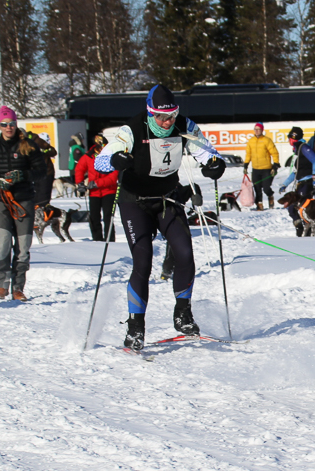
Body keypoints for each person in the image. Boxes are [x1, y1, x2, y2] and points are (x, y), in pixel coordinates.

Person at [94, 84, 226, 350]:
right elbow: (101, 161)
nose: (167, 122)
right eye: (161, 117)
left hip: (167, 198)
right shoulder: (131, 129)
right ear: (150, 112)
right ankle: (135, 327)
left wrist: (214, 165)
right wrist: (117, 159)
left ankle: (182, 314)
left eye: (171, 116)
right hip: (135, 202)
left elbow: (207, 153)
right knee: (142, 261)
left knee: (185, 253)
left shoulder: (184, 125)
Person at [0, 106, 39, 301]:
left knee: (23, 245)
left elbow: (41, 170)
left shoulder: (27, 145)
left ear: (16, 124)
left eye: (11, 124)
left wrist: (23, 175)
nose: (8, 128)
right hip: (1, 199)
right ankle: (2, 285)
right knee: (2, 244)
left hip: (24, 199)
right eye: (4, 124)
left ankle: (18, 287)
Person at [277, 126, 315, 236]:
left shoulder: (304, 148)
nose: (289, 140)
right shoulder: (297, 150)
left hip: (307, 183)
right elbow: (296, 172)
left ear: (293, 137)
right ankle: (300, 227)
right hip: (300, 183)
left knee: (300, 207)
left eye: (289, 137)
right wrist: (285, 184)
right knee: (292, 208)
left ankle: (305, 231)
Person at [75, 139, 117, 241]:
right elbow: (79, 168)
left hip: (109, 191)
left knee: (108, 217)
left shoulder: (112, 156)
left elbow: (113, 177)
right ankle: (96, 239)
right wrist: (79, 183)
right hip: (94, 193)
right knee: (94, 217)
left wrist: (97, 183)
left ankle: (109, 239)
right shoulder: (89, 156)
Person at [242, 122, 280, 210]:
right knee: (257, 188)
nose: (257, 131)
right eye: (255, 129)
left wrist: (275, 165)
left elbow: (274, 153)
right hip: (255, 169)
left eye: (258, 129)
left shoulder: (267, 140)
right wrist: (245, 165)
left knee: (266, 188)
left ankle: (270, 196)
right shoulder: (251, 141)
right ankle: (259, 204)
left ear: (262, 130)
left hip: (266, 169)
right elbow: (248, 154)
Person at [26, 130, 57, 207]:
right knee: (35, 196)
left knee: (43, 196)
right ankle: (37, 213)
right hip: (34, 173)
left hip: (46, 172)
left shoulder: (38, 141)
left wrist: (44, 152)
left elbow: (53, 151)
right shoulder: (23, 143)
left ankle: (44, 213)